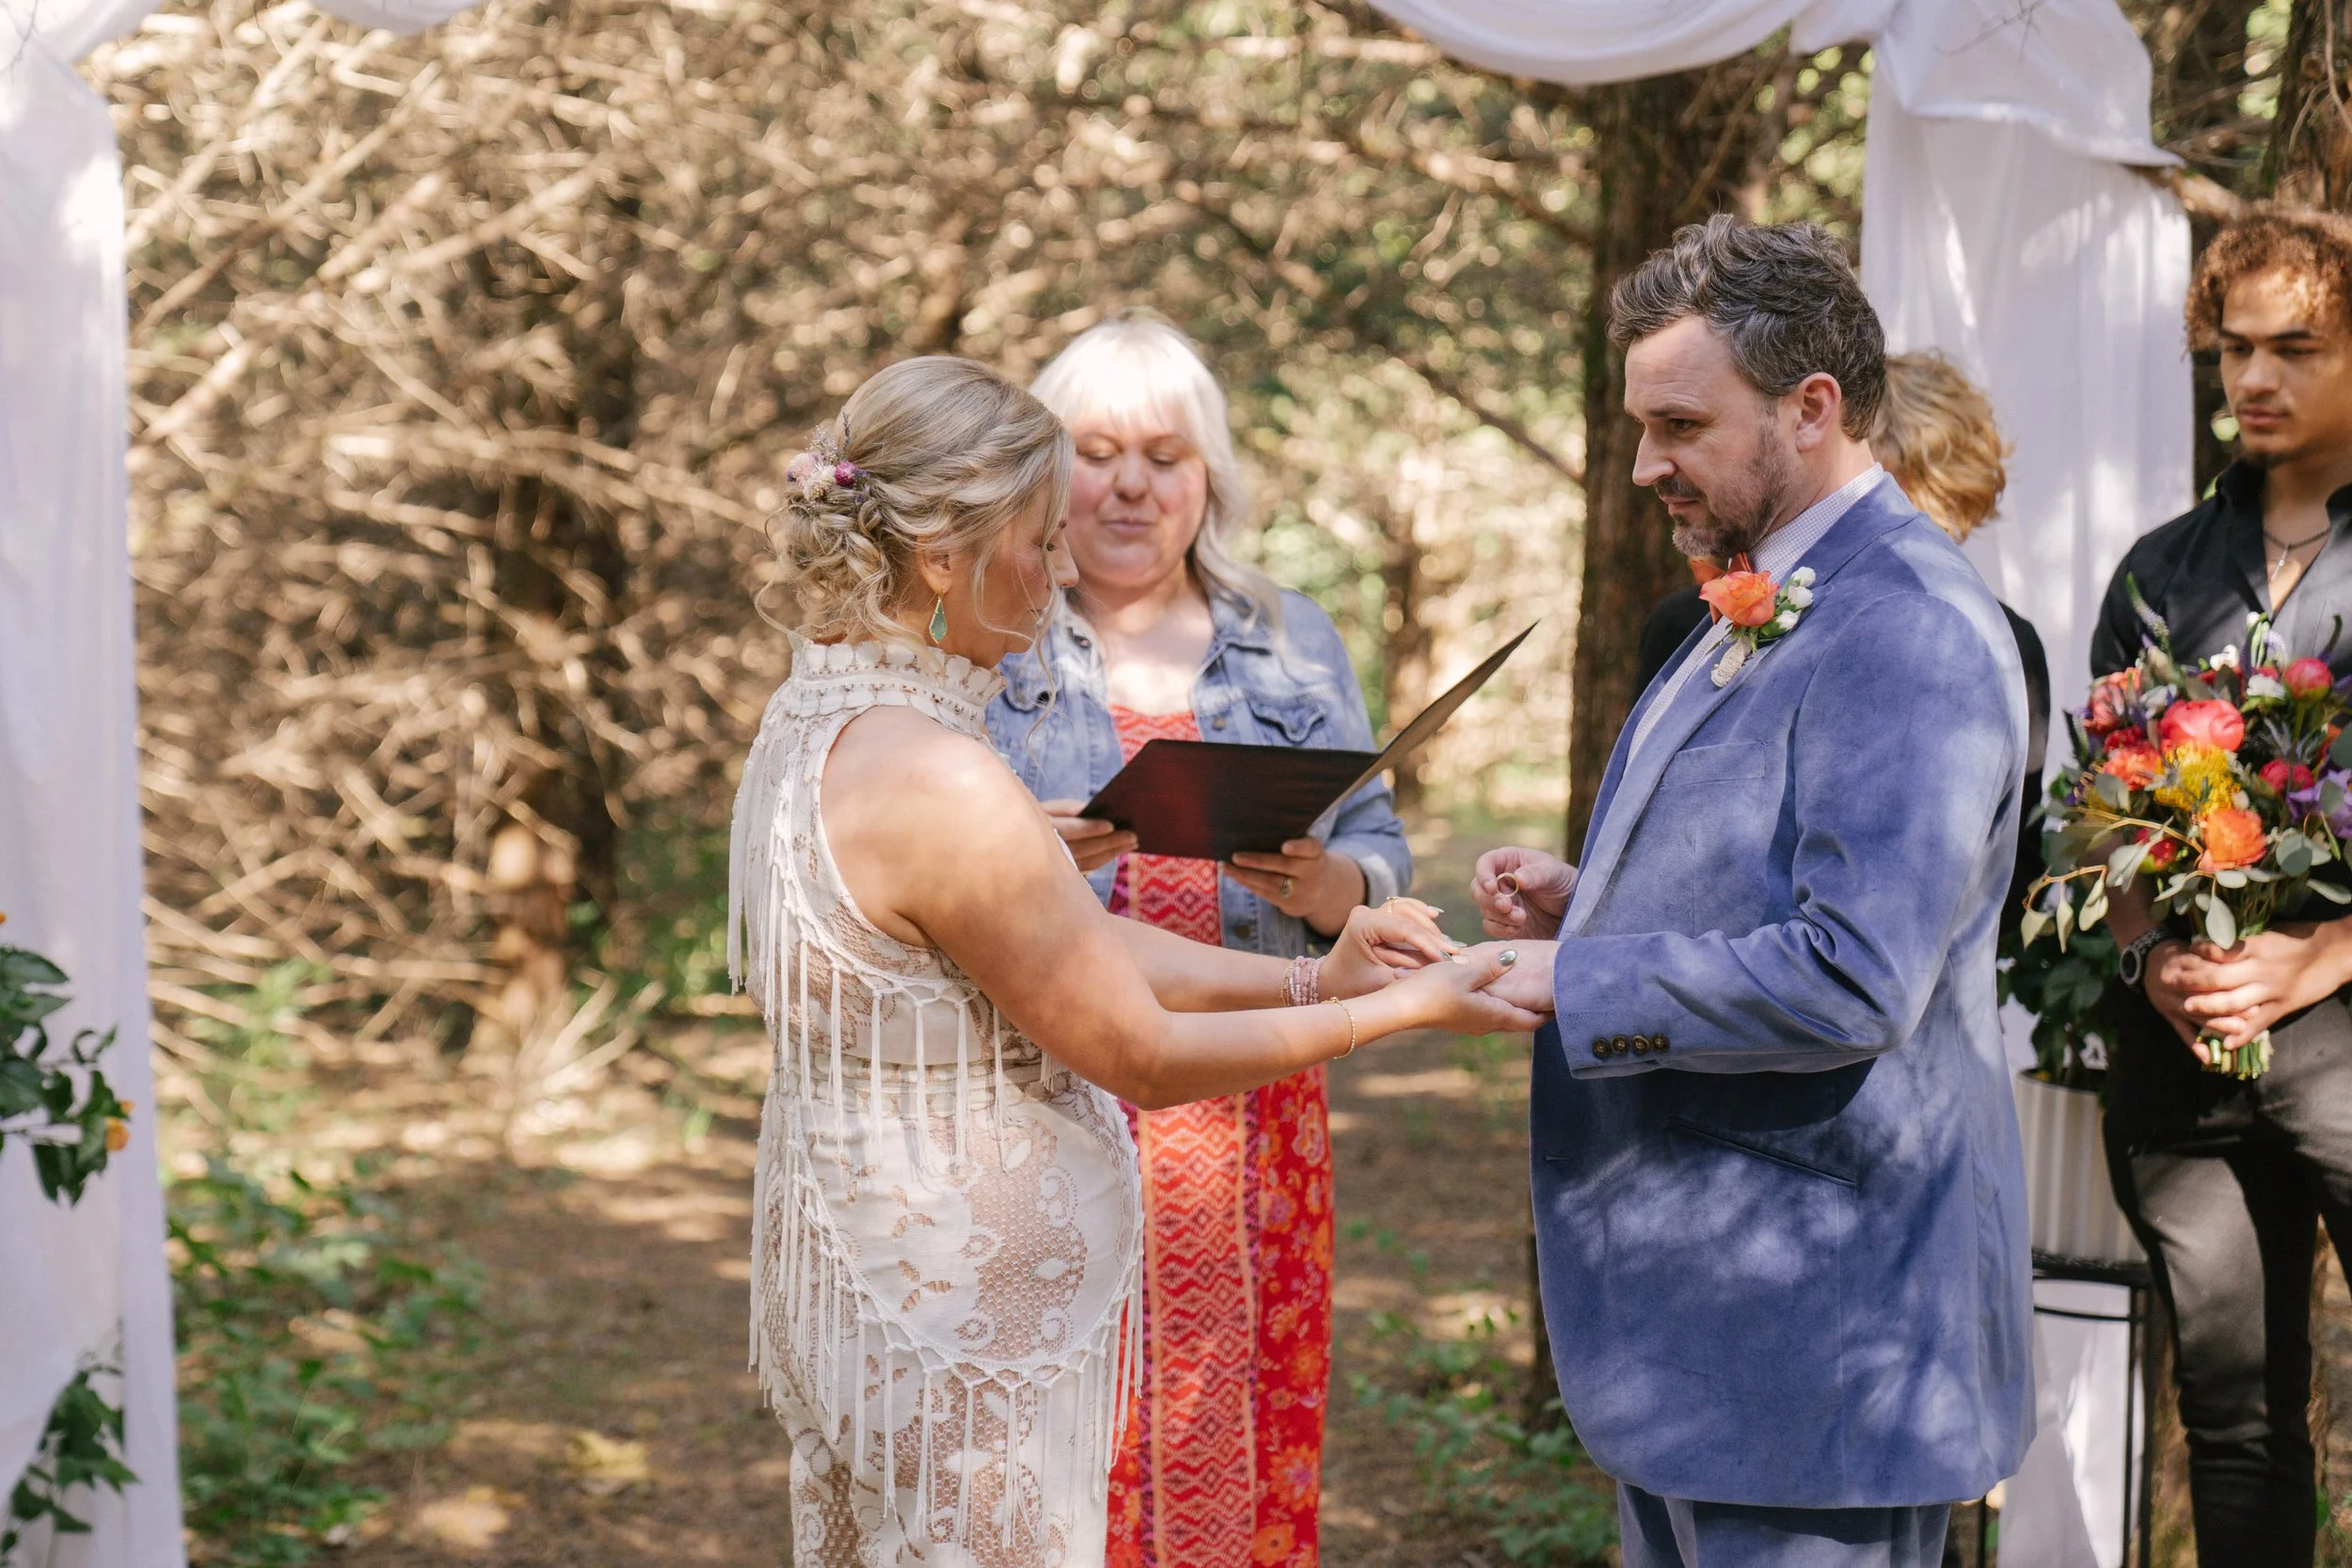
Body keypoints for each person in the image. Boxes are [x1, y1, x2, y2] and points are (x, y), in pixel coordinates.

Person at [727, 354, 1545, 1568]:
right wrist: (1414, 1006)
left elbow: (1076, 941)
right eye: (1038, 538)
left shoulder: (817, 717)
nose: (1058, 570)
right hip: (961, 1335)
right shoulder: (940, 771)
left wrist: (1319, 975)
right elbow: (1141, 1052)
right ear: (944, 554)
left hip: (878, 1295)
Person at [1470, 216, 2034, 1567]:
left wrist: (1582, 980)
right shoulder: (1777, 590)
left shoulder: (1905, 624)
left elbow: (1854, 972)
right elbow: (1770, 874)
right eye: (1639, 424)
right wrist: (1594, 901)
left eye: (1679, 424)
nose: (1644, 464)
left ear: (1813, 407)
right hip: (1709, 1347)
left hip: (1821, 1348)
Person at [982, 311, 1406, 1568]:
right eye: (1097, 450)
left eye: (1164, 454)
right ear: (1047, 473)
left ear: (1208, 474)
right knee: (1061, 1422)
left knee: (1249, 1407)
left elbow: (1379, 846)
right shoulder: (997, 639)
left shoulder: (1291, 633)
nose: (1130, 483)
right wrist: (1015, 860)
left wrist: (1337, 880)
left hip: (1252, 1095)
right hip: (1053, 1098)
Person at [2092, 207, 2352, 1568]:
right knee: (2238, 1417)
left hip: (2347, 1038)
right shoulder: (2158, 568)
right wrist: (2150, 959)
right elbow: (2097, 807)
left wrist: (2322, 954)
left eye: (2296, 346)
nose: (2255, 377)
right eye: (2234, 349)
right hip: (2184, 1052)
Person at [1870, 350, 2049, 932]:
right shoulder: (2011, 638)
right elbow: (2018, 873)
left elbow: (2014, 862)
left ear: (1899, 465)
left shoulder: (2008, 641)